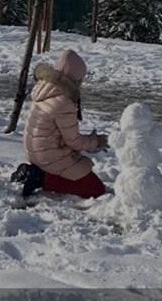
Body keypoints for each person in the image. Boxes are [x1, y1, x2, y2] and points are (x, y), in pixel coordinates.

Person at [11, 49, 109, 199]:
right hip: (48, 157)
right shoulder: (63, 102)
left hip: (35, 153)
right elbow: (74, 141)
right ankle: (39, 177)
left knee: (83, 174)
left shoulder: (45, 89)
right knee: (95, 188)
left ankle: (37, 172)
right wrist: (96, 141)